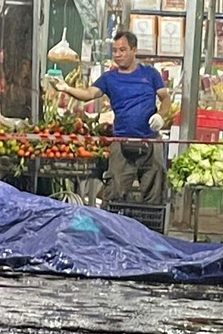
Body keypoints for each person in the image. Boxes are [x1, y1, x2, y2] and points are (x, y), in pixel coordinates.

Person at [55, 30, 171, 204]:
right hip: (121, 143)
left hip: (151, 142)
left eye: (122, 50)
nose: (117, 54)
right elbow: (88, 94)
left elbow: (165, 99)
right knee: (114, 193)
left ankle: (150, 221)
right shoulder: (109, 78)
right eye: (115, 50)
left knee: (155, 195)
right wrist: (67, 88)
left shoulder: (150, 74)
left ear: (134, 50)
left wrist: (160, 116)